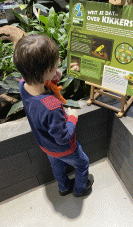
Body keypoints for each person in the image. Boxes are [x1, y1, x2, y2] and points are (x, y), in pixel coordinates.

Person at [13, 34, 94, 197]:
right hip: (65, 148)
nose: (57, 69)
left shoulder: (23, 86)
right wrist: (72, 118)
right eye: (55, 66)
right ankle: (79, 190)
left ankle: (63, 188)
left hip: (46, 146)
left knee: (57, 167)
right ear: (48, 70)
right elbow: (63, 137)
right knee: (82, 163)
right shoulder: (51, 106)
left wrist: (54, 76)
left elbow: (45, 81)